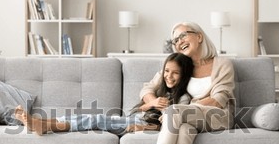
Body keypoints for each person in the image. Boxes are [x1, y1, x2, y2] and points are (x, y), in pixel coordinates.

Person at [127, 21, 235, 144]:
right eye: (175, 39)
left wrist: (179, 111)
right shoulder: (179, 65)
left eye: (183, 36)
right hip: (187, 119)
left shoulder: (222, 64)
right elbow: (147, 89)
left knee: (176, 113)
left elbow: (218, 99)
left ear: (199, 36)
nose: (179, 42)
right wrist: (153, 102)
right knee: (183, 131)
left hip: (217, 116)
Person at [14, 52, 194, 136]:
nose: (169, 76)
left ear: (183, 74)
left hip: (141, 124)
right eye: (167, 71)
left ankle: (43, 126)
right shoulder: (161, 89)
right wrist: (152, 103)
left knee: (97, 120)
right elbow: (140, 108)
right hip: (137, 118)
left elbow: (170, 126)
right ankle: (41, 123)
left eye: (175, 73)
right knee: (86, 116)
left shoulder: (183, 99)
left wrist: (143, 128)